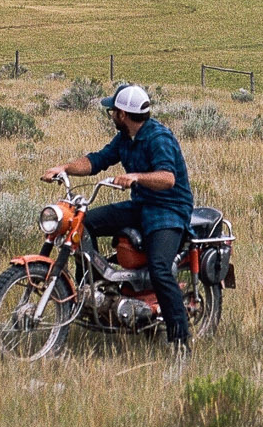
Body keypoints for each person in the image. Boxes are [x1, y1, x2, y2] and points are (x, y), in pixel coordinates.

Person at [45, 82, 195, 353]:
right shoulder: (125, 138)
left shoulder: (159, 138)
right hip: (141, 205)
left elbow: (168, 178)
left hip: (169, 210)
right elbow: (97, 160)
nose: (111, 115)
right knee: (84, 222)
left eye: (112, 111)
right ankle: (92, 293)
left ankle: (180, 341)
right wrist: (64, 168)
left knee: (160, 269)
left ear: (123, 115)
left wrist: (136, 177)